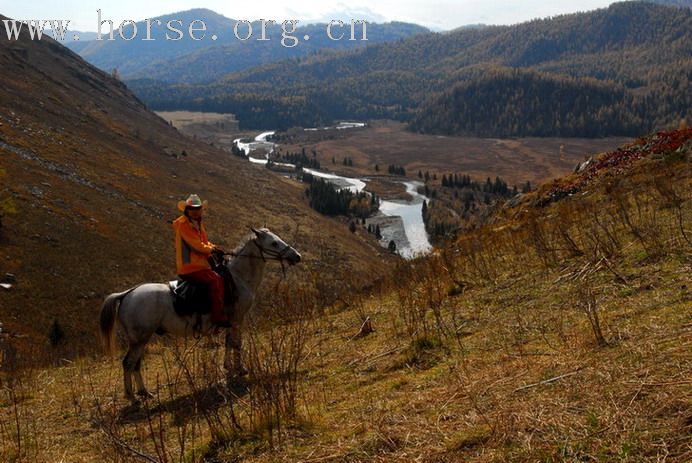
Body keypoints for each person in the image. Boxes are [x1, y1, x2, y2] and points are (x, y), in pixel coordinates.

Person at [172, 194, 230, 327]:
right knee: (216, 280)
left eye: (198, 208)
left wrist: (214, 247)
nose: (196, 211)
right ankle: (218, 317)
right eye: (193, 209)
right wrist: (212, 250)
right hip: (190, 267)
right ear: (187, 210)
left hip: (199, 264)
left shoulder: (197, 223)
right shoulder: (183, 225)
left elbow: (204, 242)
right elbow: (196, 246)